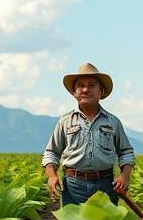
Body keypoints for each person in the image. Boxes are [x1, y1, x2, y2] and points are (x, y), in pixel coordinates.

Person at [42, 63, 135, 206]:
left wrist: (124, 177)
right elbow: (51, 153)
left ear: (101, 92)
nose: (85, 89)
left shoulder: (113, 121)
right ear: (74, 92)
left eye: (92, 85)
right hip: (72, 186)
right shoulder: (65, 121)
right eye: (80, 85)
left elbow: (126, 151)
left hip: (105, 184)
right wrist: (52, 176)